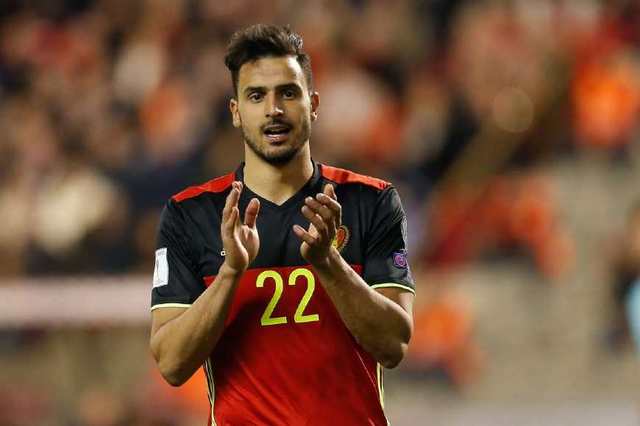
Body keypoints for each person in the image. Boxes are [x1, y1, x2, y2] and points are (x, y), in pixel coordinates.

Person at [149, 24, 415, 426]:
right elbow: (171, 364)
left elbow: (394, 345)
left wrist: (329, 263)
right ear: (236, 112)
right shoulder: (191, 215)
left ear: (313, 103)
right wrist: (230, 273)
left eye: (288, 93)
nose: (274, 109)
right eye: (256, 96)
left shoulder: (370, 201)